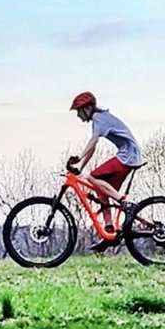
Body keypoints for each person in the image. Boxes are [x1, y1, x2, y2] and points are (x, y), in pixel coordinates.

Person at [68, 91, 143, 235]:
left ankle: (125, 203)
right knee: (101, 189)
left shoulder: (98, 117)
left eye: (79, 111)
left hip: (128, 156)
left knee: (92, 177)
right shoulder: (100, 118)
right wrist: (80, 167)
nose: (78, 115)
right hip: (129, 156)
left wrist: (78, 158)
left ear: (88, 108)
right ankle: (109, 228)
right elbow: (92, 149)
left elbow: (92, 143)